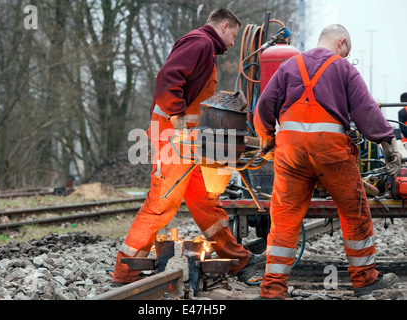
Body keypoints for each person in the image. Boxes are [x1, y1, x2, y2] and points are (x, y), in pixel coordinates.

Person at [112, 8, 265, 286]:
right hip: (172, 137)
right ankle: (125, 271)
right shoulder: (200, 42)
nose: (233, 42)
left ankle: (239, 261)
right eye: (233, 35)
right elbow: (167, 78)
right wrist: (177, 119)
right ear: (225, 25)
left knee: (205, 201)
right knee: (162, 204)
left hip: (190, 142)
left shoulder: (206, 48)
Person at [253, 24, 401, 299]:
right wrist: (387, 141)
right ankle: (365, 279)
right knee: (353, 210)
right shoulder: (343, 68)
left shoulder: (288, 66)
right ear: (342, 43)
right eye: (347, 51)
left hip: (290, 152)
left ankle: (272, 289)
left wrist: (266, 138)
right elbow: (366, 110)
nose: (345, 57)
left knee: (284, 218)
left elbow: (263, 106)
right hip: (331, 151)